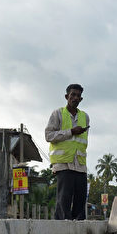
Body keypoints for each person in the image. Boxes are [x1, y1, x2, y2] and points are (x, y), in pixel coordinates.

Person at [45, 84, 90, 220]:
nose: (75, 98)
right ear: (67, 97)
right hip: (63, 163)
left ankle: (79, 232)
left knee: (81, 199)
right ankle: (62, 229)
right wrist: (70, 132)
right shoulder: (57, 114)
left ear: (81, 99)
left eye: (78, 96)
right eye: (72, 95)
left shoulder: (85, 117)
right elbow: (49, 136)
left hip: (80, 164)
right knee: (64, 199)